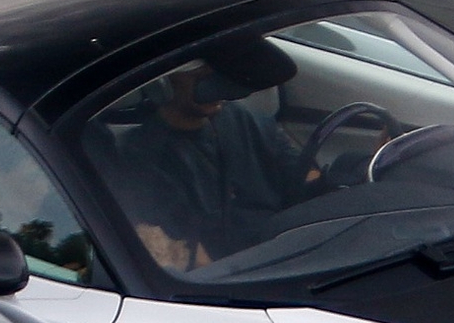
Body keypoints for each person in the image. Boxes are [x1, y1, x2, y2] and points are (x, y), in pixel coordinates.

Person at [114, 38, 316, 273]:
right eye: (198, 74)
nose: (214, 83)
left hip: (294, 252)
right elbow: (197, 259)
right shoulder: (142, 157)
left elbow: (307, 177)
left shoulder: (244, 120)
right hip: (242, 274)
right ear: (161, 81)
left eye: (216, 72)